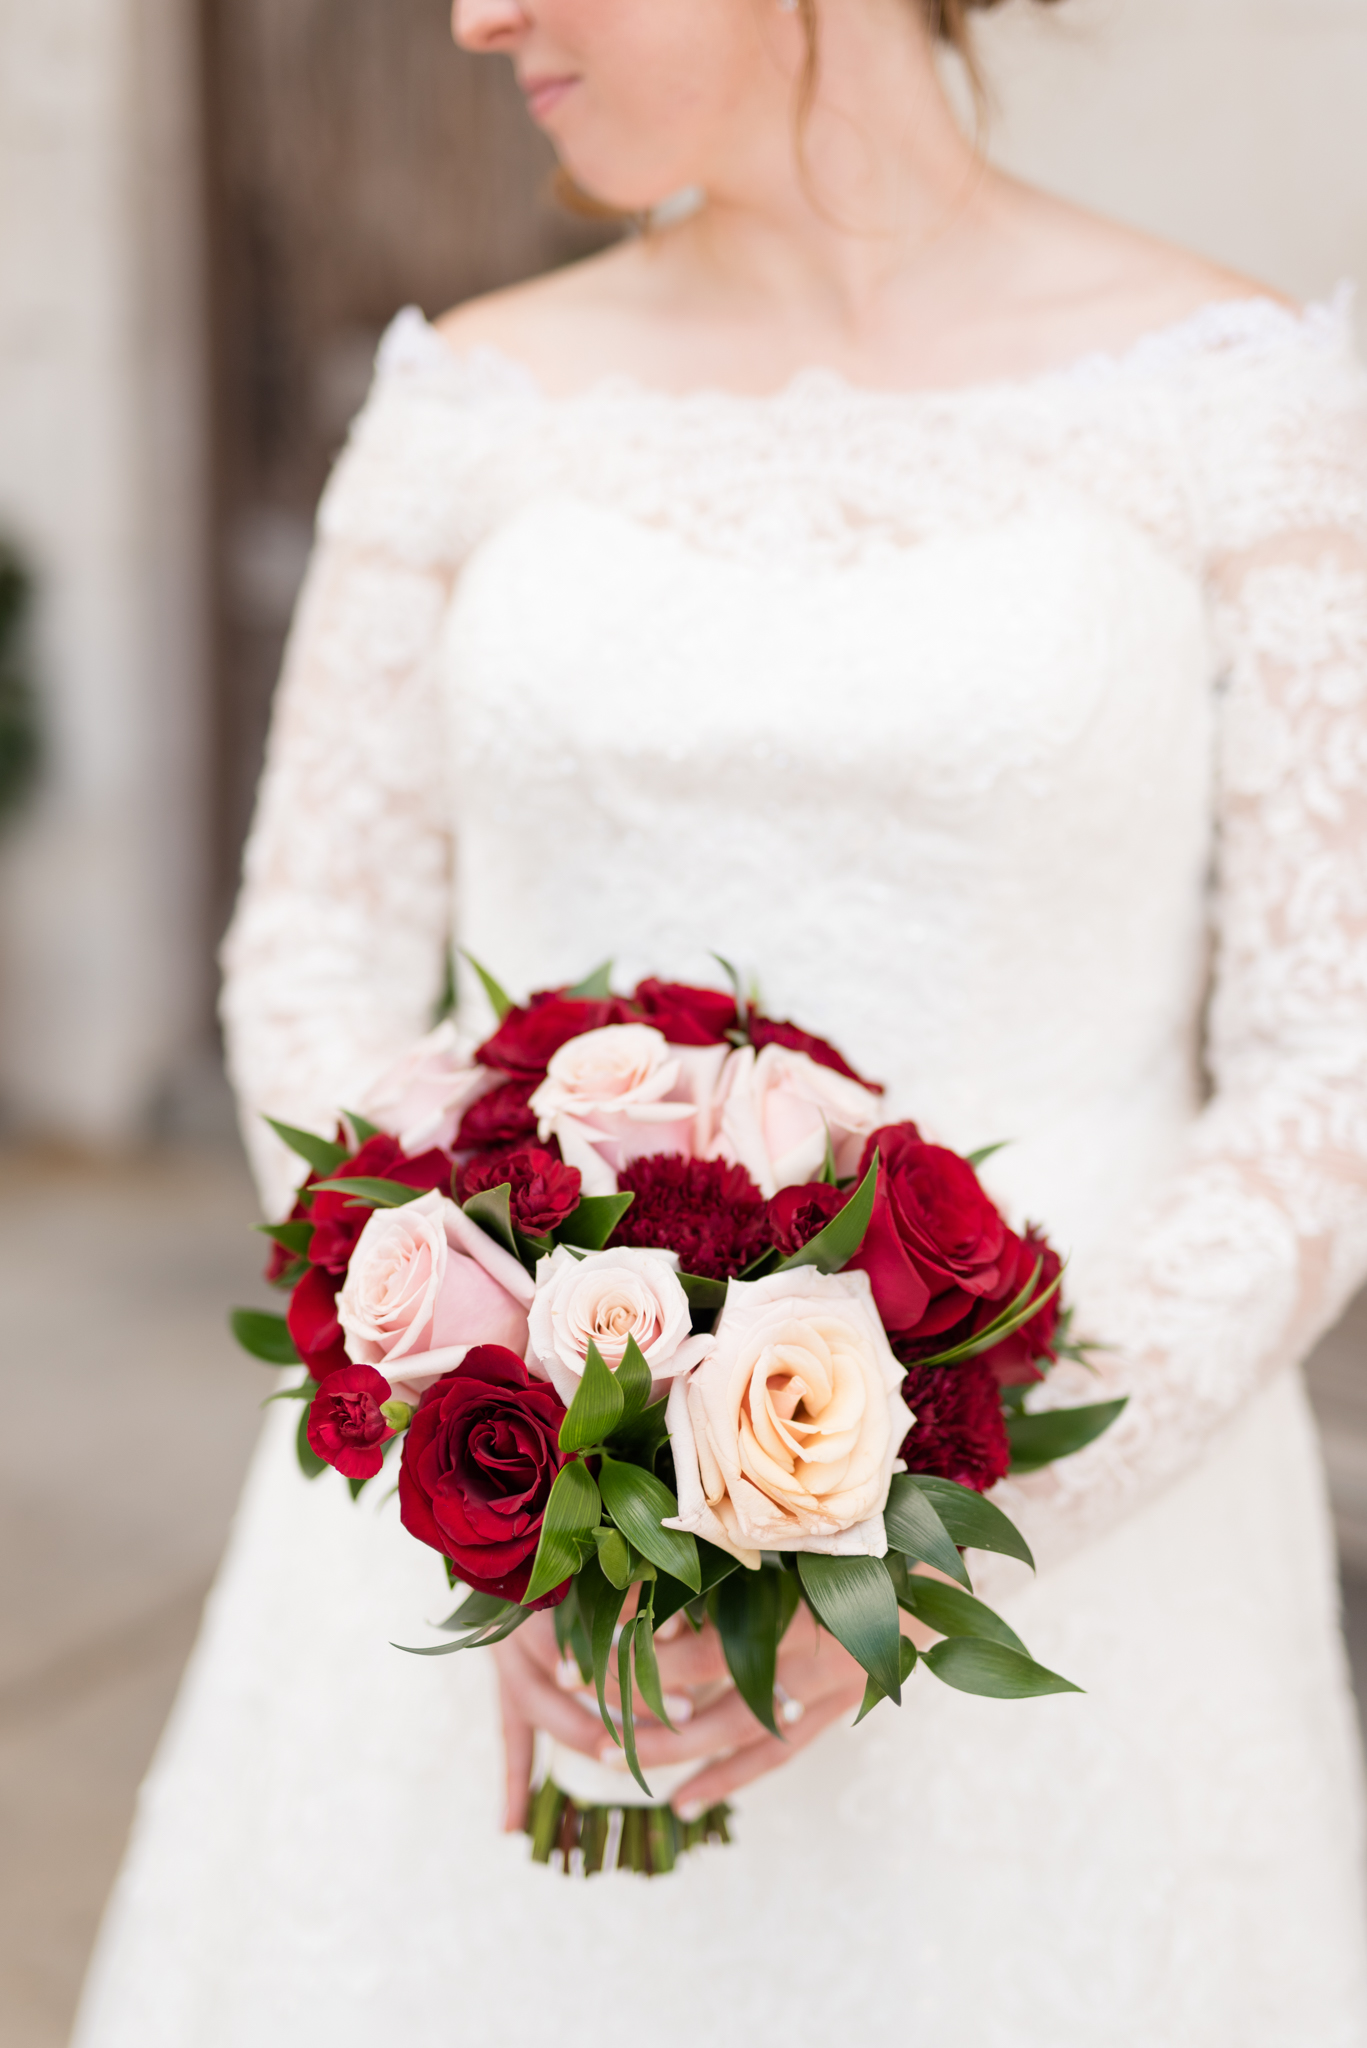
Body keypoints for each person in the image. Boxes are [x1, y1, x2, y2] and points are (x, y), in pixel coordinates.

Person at [74, 1, 1367, 2041]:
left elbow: (1330, 1067)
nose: (474, 16)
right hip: (492, 1560)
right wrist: (486, 1418)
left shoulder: (1241, 400)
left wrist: (952, 1524)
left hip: (1086, 1555)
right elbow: (312, 949)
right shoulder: (466, 402)